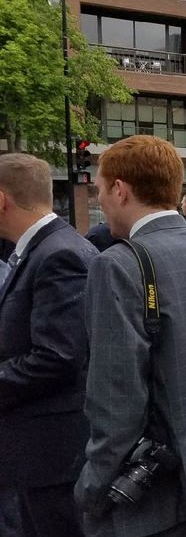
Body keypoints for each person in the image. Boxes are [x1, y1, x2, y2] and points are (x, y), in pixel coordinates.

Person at [75, 135, 186, 536]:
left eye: (99, 189)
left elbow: (115, 396)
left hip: (146, 498)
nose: (99, 200)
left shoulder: (117, 265)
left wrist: (93, 487)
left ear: (120, 189)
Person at [0, 153, 97, 537]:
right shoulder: (47, 249)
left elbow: (58, 356)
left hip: (51, 457)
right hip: (41, 454)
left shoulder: (59, 254)